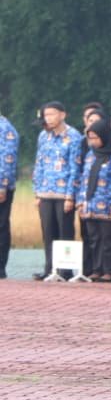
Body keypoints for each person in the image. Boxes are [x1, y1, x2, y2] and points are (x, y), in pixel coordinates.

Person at [32, 101, 83, 281]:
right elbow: (39, 164)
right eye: (46, 115)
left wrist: (71, 196)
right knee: (48, 231)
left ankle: (65, 270)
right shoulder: (43, 136)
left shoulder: (74, 137)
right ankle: (49, 268)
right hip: (46, 191)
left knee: (65, 230)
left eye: (52, 114)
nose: (49, 118)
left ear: (62, 115)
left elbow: (75, 168)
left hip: (64, 193)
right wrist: (37, 191)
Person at [76, 116, 111, 281]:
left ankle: (110, 270)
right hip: (91, 204)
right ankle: (97, 269)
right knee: (94, 239)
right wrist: (81, 201)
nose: (93, 141)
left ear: (105, 136)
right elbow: (85, 179)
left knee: (109, 240)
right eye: (90, 138)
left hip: (107, 203)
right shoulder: (91, 155)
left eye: (96, 138)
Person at [0, 106, 17, 278]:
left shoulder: (5, 129)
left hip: (1, 185)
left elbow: (7, 159)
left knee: (1, 226)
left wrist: (2, 186)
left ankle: (0, 267)